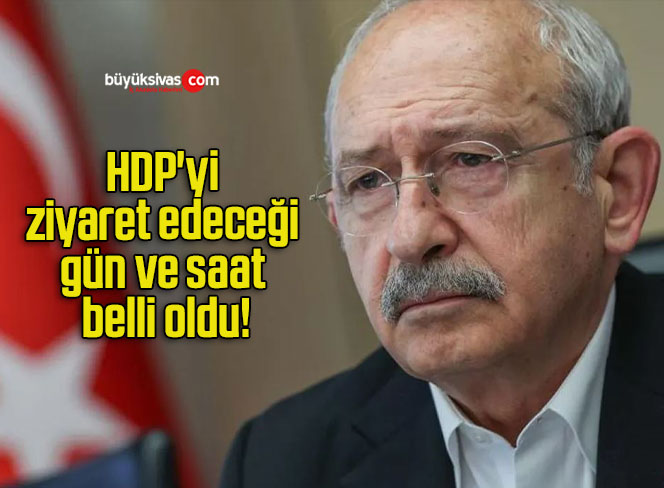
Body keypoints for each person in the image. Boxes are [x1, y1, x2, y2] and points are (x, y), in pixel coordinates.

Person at [220, 0, 663, 486]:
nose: (410, 236)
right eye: (368, 182)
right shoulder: (282, 464)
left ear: (617, 190)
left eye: (471, 159)